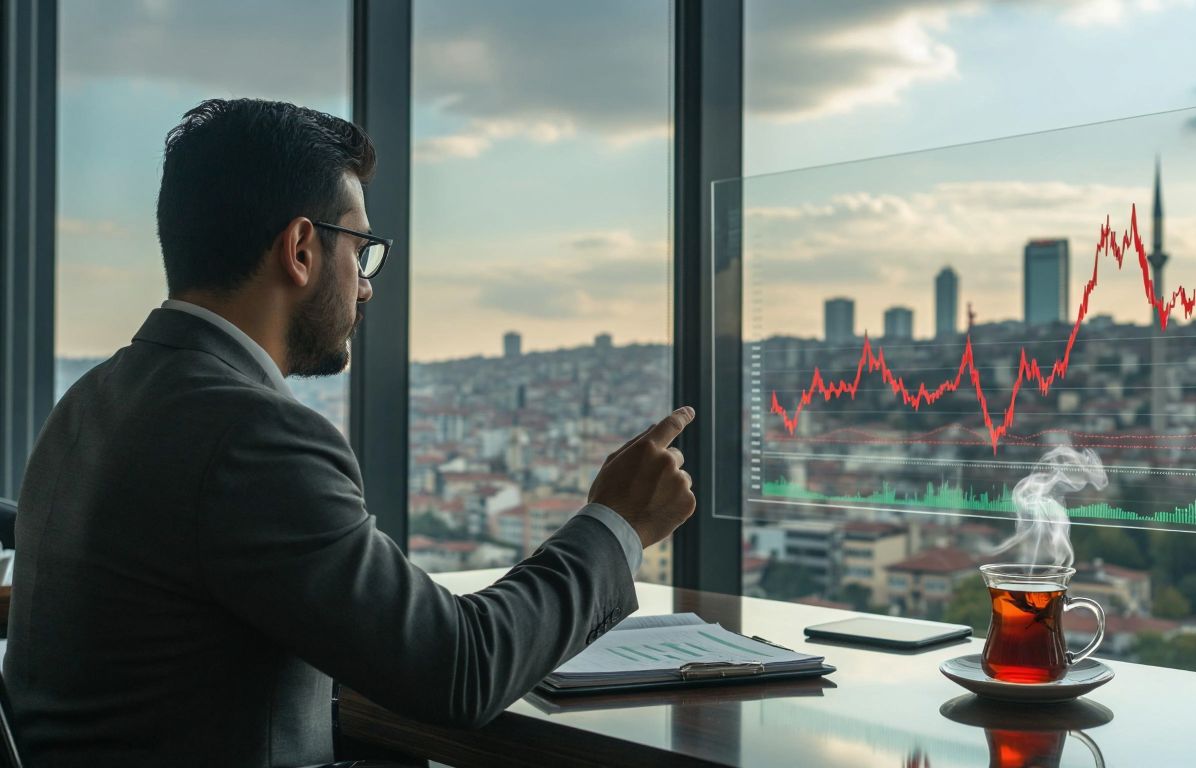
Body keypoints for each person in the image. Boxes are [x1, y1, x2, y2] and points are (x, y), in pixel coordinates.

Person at [4, 98, 697, 767]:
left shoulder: (93, 400)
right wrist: (616, 523)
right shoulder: (250, 435)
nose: (365, 285)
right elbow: (459, 669)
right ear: (301, 248)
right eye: (360, 249)